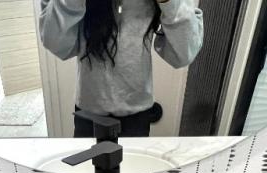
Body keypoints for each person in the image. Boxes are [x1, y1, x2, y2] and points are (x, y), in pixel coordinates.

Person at [39, 0, 203, 137]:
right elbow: (54, 40)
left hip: (137, 116)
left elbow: (184, 53)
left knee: (135, 167)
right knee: (87, 168)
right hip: (89, 114)